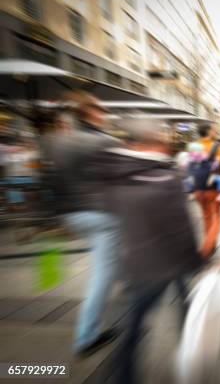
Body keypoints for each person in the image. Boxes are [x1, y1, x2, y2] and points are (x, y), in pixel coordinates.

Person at [93, 119, 203, 384]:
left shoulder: (114, 175)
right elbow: (181, 227)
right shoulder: (167, 178)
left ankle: (124, 375)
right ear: (153, 142)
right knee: (182, 304)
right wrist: (198, 261)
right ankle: (190, 351)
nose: (166, 145)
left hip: (133, 261)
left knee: (133, 325)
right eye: (162, 139)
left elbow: (109, 211)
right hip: (166, 262)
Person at [46, 91, 122, 356]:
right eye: (100, 110)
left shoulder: (59, 142)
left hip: (71, 215)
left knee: (109, 262)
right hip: (102, 216)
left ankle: (123, 278)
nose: (103, 115)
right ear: (91, 113)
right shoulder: (106, 142)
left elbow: (53, 181)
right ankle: (87, 337)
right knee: (102, 274)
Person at [195, 122, 220, 258]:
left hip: (198, 188)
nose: (215, 132)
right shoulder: (217, 147)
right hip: (213, 187)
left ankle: (211, 244)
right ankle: (208, 246)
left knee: (207, 216)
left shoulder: (193, 147)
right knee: (218, 216)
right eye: (213, 130)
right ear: (209, 132)